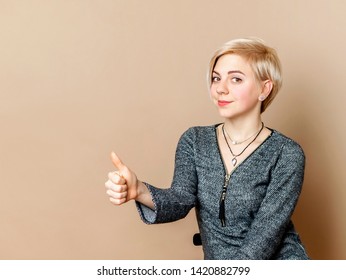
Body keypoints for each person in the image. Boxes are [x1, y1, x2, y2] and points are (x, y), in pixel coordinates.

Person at [105, 37, 309, 260]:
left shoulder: (286, 153)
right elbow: (181, 200)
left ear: (264, 89)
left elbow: (264, 237)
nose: (221, 89)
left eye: (236, 79)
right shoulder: (194, 141)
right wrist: (140, 191)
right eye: (216, 78)